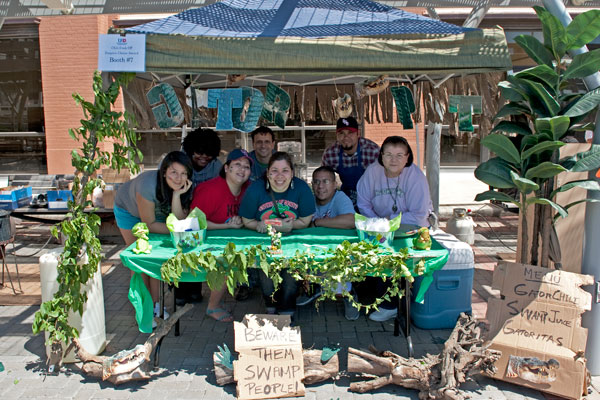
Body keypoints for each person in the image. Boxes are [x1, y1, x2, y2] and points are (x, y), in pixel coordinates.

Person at [356, 135, 433, 322]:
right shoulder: (372, 172)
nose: (393, 160)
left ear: (408, 157)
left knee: (395, 257)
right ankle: (373, 298)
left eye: (400, 155)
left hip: (410, 227)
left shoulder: (416, 178)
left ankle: (390, 305)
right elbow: (363, 203)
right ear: (381, 156)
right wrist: (378, 225)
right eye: (388, 154)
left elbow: (419, 214)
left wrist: (389, 223)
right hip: (377, 226)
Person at [114, 151, 193, 321]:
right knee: (141, 260)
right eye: (173, 172)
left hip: (157, 215)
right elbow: (149, 224)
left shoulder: (185, 187)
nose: (178, 178)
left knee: (156, 262)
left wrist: (178, 195)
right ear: (164, 171)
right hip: (129, 211)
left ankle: (157, 304)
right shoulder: (147, 185)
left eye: (183, 173)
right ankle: (143, 309)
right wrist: (178, 231)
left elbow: (178, 219)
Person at [239, 152, 315, 316]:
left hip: (292, 242)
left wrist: (290, 226)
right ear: (267, 173)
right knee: (266, 276)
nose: (279, 176)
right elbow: (246, 220)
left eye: (285, 170)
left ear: (292, 173)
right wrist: (258, 225)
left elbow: (305, 221)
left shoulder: (301, 188)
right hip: (265, 242)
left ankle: (287, 311)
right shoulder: (256, 189)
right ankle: (271, 308)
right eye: (274, 170)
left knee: (289, 276)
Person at [190, 149, 253, 322]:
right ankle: (212, 307)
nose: (242, 170)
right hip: (206, 240)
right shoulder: (210, 190)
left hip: (234, 240)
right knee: (226, 260)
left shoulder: (249, 188)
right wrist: (223, 226)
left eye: (246, 167)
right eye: (237, 165)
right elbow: (194, 222)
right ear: (226, 168)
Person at [297, 166, 359, 320]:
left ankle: (350, 295)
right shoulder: (309, 198)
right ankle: (311, 289)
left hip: (339, 254)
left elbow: (351, 221)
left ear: (335, 184)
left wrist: (319, 222)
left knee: (338, 289)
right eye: (316, 182)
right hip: (313, 251)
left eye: (325, 181)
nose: (320, 186)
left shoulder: (340, 197)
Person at [180, 127, 222, 303]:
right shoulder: (179, 162)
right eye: (199, 153)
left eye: (208, 154)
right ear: (190, 150)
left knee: (198, 253)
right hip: (180, 213)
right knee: (183, 252)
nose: (203, 157)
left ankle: (196, 288)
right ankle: (180, 291)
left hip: (204, 217)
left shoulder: (217, 167)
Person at [321, 116, 380, 207]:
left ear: (358, 134)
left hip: (371, 198)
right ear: (337, 135)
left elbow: (382, 180)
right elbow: (324, 180)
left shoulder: (372, 151)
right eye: (341, 133)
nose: (346, 137)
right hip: (346, 197)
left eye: (350, 133)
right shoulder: (330, 153)